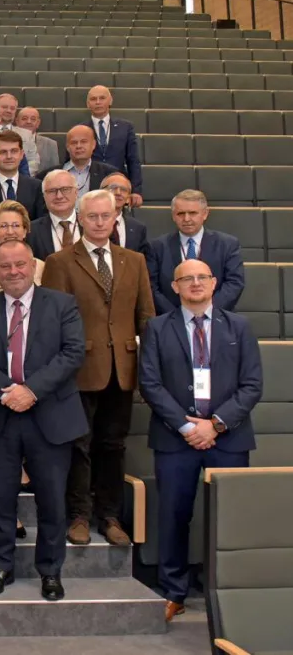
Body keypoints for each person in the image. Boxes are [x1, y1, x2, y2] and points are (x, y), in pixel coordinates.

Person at [138, 259, 262, 623]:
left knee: (228, 519)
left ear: (214, 282)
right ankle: (173, 591)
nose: (195, 283)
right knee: (174, 515)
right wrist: (186, 427)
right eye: (187, 278)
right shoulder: (157, 328)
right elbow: (150, 384)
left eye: (202, 277)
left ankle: (224, 593)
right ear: (174, 287)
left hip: (229, 439)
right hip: (175, 440)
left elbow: (252, 384)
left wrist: (216, 425)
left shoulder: (239, 326)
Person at [0, 240, 87, 602]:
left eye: (20, 264)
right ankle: (1, 566)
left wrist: (31, 390)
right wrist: (6, 391)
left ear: (33, 266)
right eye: (5, 266)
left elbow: (72, 353)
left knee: (51, 500)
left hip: (50, 414)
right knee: (0, 498)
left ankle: (50, 571)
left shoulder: (62, 304)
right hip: (1, 414)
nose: (13, 272)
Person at [42, 189, 155, 548]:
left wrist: (147, 369)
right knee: (79, 444)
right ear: (80, 219)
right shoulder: (60, 262)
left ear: (116, 217)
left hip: (122, 369)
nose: (100, 222)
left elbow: (146, 316)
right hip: (78, 370)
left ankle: (110, 516)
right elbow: (53, 321)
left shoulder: (134, 260)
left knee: (113, 445)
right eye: (92, 216)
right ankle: (79, 514)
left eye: (106, 215)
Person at [148, 189, 244, 315]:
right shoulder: (157, 247)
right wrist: (178, 316)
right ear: (173, 216)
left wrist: (206, 312)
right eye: (180, 213)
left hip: (216, 317)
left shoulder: (227, 244)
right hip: (170, 319)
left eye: (192, 213)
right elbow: (151, 287)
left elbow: (234, 283)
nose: (186, 219)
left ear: (205, 214)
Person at [86, 85, 143, 205]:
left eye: (102, 98)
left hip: (119, 187)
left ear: (110, 100)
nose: (98, 102)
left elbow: (133, 161)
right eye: (93, 99)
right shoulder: (81, 129)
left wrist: (136, 190)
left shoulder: (126, 127)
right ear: (88, 104)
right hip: (91, 188)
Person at [0, 130, 46, 223]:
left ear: (21, 154)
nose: (9, 156)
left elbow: (41, 222)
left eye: (14, 151)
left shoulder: (37, 187)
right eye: (3, 152)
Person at [0, 201, 44, 293]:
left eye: (16, 225)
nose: (10, 232)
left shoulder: (41, 267)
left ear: (25, 231)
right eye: (3, 226)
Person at [27, 169, 79, 261]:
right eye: (52, 191)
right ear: (44, 196)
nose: (59, 196)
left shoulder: (91, 223)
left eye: (65, 189)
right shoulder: (30, 231)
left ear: (76, 192)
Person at [61, 124, 116, 203]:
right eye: (74, 142)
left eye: (83, 142)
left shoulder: (109, 174)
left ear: (93, 144)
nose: (78, 146)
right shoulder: (49, 174)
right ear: (67, 147)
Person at [100, 172, 149, 254]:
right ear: (101, 193)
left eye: (123, 190)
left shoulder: (138, 228)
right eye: (113, 188)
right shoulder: (88, 223)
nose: (118, 193)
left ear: (128, 198)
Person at [0, 93, 41, 171]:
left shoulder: (27, 134)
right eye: (4, 107)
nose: (9, 110)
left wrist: (16, 176)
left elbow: (34, 161)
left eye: (12, 108)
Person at [16, 107, 59, 174]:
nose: (28, 122)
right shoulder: (7, 141)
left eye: (33, 119)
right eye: (24, 118)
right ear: (17, 122)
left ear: (38, 123)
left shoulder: (50, 144)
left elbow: (55, 172)